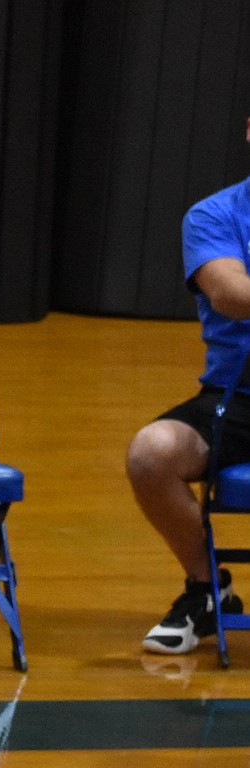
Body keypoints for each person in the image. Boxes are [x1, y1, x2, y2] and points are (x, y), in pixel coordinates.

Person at [128, 119, 250, 654]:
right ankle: (206, 589)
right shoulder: (214, 215)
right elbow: (229, 293)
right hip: (238, 397)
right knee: (151, 453)